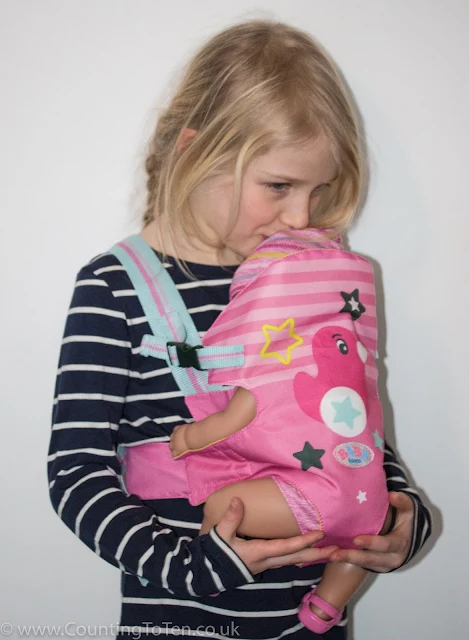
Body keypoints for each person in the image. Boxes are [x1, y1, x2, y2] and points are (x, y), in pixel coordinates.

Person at [48, 20, 432, 639]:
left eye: (319, 190)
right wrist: (186, 565)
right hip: (185, 623)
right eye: (278, 186)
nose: (302, 215)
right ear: (194, 150)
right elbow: (76, 473)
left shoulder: (308, 279)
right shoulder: (114, 287)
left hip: (314, 626)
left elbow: (344, 424)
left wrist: (399, 519)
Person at [167, 228, 393, 633]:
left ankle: (212, 566)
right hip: (369, 497)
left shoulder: (269, 378)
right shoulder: (355, 377)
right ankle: (327, 606)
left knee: (223, 505)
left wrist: (186, 439)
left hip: (310, 500)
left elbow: (224, 425)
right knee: (358, 544)